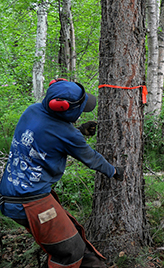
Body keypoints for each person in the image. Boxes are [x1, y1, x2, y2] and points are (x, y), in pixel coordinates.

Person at [0, 79, 124, 268]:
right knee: (70, 252)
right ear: (64, 108)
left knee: (78, 246)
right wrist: (113, 171)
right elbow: (92, 159)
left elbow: (46, 133)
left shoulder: (31, 110)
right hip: (31, 204)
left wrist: (77, 131)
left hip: (10, 194)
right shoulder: (67, 135)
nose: (83, 112)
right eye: (80, 109)